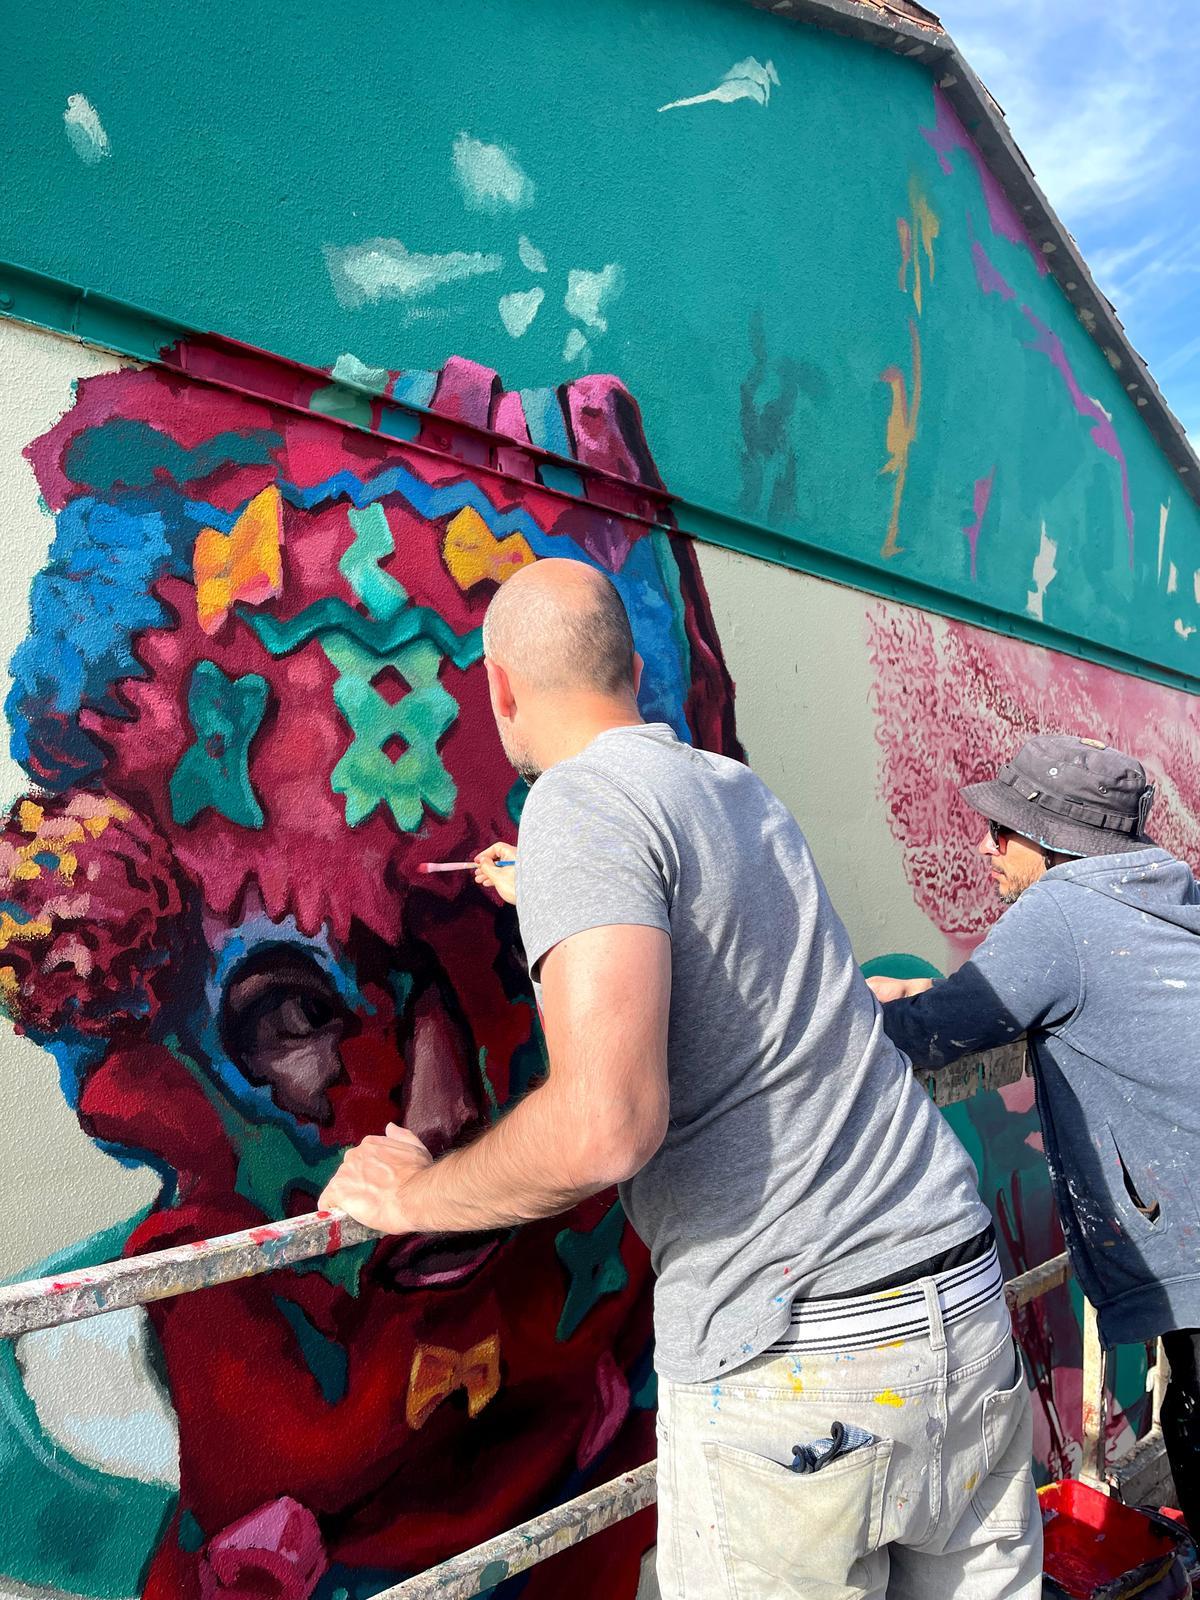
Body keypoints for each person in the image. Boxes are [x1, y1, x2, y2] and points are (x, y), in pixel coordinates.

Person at [322, 558, 1041, 1599]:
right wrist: (560, 883)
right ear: (630, 667)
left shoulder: (577, 807)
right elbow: (727, 950)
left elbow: (603, 1127)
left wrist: (416, 1195)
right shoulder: (728, 787)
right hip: (956, 1302)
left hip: (801, 1359)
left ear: (501, 687)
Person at [868, 734, 1200, 1535]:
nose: (985, 844)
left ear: (1054, 840)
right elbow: (1027, 993)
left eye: (1004, 830)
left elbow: (933, 1032)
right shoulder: (1161, 893)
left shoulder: (1064, 909)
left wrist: (876, 1005)